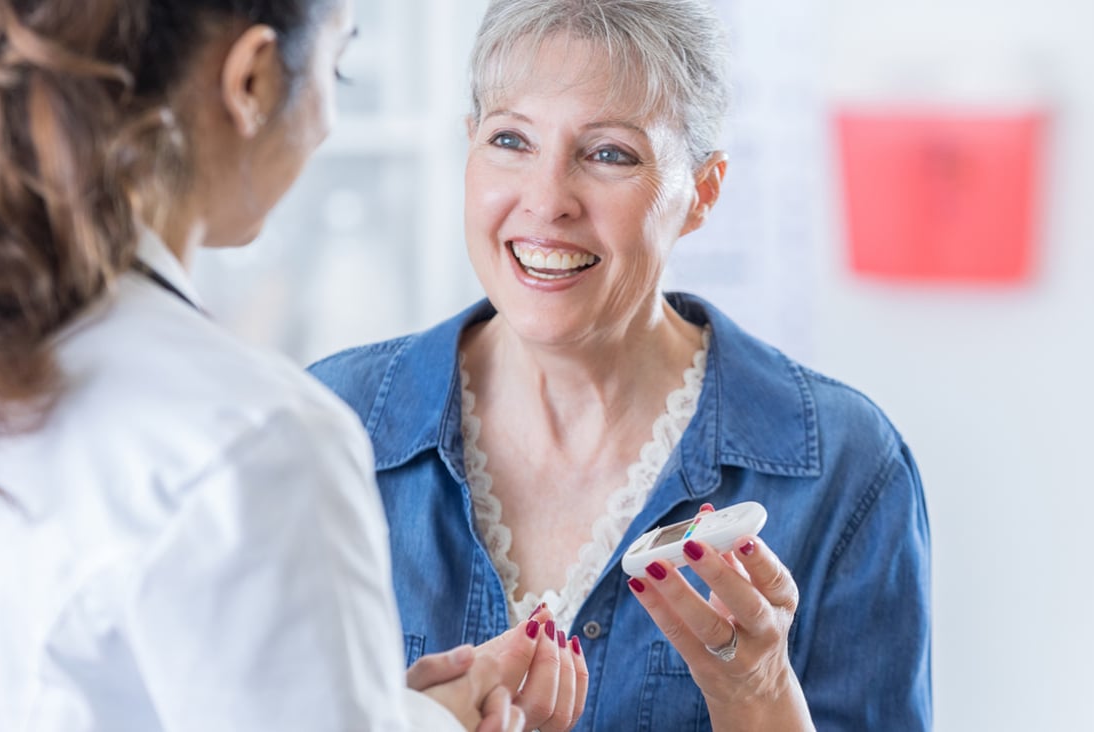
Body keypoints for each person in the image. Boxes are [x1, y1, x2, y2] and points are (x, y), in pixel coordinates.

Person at [310, 0, 931, 729]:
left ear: (702, 192)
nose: (546, 201)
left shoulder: (844, 466)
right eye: (511, 140)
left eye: (609, 153)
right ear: (468, 146)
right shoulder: (332, 425)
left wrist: (758, 694)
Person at [0, 1, 539, 729]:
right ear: (250, 81)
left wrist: (388, 711)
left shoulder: (25, 352)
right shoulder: (258, 441)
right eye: (335, 67)